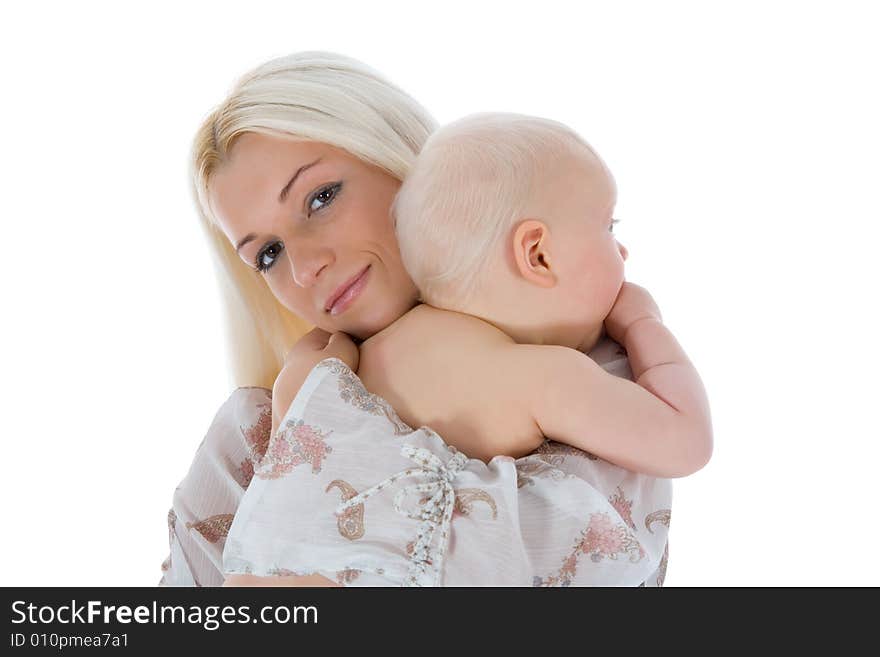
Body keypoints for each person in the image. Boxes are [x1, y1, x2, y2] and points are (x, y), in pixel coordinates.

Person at [161, 51, 673, 588]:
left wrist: (322, 431)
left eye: (321, 197)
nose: (306, 267)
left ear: (403, 161)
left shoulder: (597, 368)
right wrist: (299, 424)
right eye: (268, 253)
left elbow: (569, 564)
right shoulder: (252, 436)